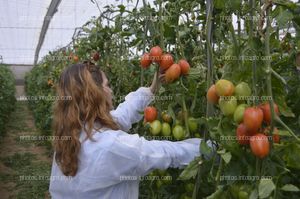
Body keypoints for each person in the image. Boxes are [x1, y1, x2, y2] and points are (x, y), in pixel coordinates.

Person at [49, 61, 210, 199]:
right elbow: (167, 152)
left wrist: (152, 88)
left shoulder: (70, 135)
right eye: (107, 85)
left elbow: (120, 116)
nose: (110, 91)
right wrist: (212, 148)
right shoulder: (111, 146)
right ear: (95, 94)